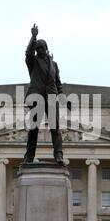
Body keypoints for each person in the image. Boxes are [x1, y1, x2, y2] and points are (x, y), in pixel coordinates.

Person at [23, 24, 65, 165]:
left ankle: (58, 155)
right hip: (37, 97)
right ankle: (29, 156)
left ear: (46, 49)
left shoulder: (54, 65)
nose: (39, 50)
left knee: (55, 128)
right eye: (37, 48)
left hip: (52, 98)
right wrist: (33, 37)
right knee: (34, 128)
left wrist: (62, 96)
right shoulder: (33, 62)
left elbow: (58, 83)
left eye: (41, 48)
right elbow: (28, 53)